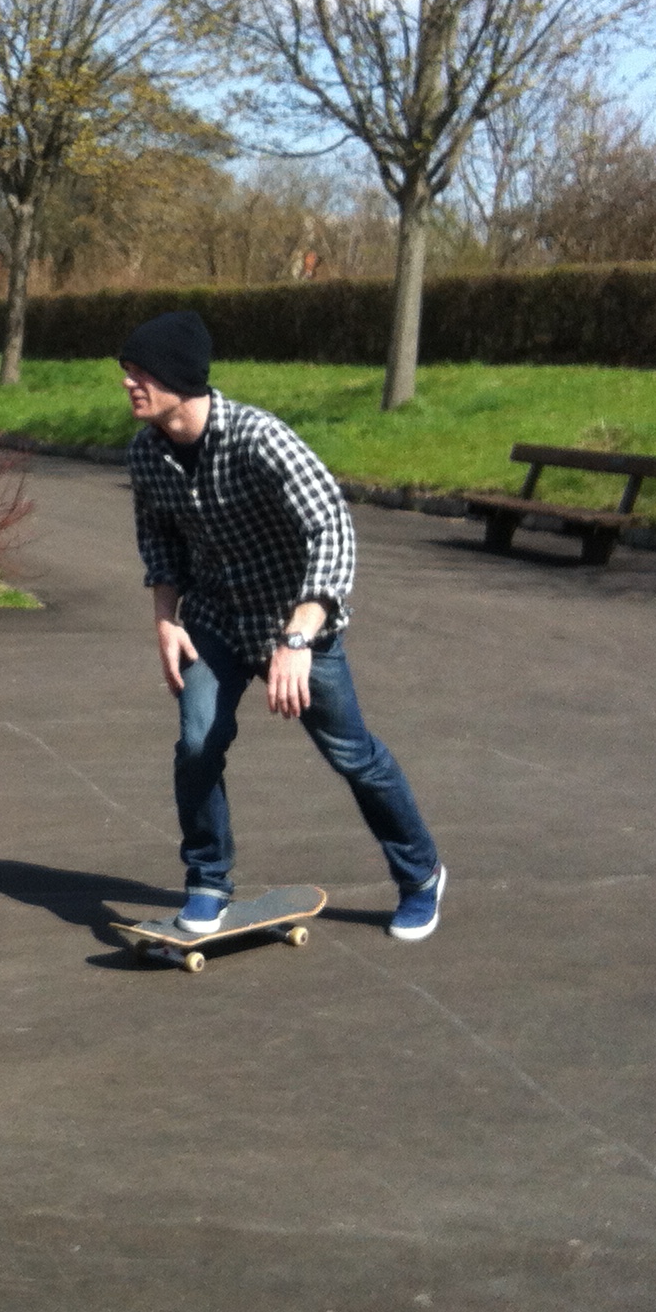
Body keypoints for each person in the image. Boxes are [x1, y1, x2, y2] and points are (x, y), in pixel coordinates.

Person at [121, 310, 447, 942]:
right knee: (197, 745)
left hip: (294, 623)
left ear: (180, 377)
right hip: (215, 620)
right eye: (126, 373)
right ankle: (208, 881)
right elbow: (159, 545)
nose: (130, 384)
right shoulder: (146, 455)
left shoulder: (258, 438)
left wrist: (298, 638)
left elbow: (332, 526)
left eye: (141, 373)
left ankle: (420, 875)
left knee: (353, 756)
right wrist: (165, 623)